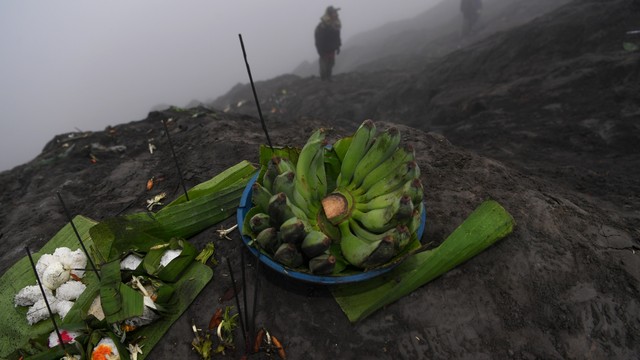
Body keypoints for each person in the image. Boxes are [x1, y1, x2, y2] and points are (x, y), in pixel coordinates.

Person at [314, 6, 342, 81]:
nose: (335, 14)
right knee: (324, 67)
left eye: (335, 13)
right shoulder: (323, 26)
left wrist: (338, 46)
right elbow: (319, 39)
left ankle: (329, 78)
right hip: (324, 50)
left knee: (331, 65)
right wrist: (320, 51)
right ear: (329, 14)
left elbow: (337, 36)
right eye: (333, 13)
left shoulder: (336, 24)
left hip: (331, 49)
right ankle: (324, 81)